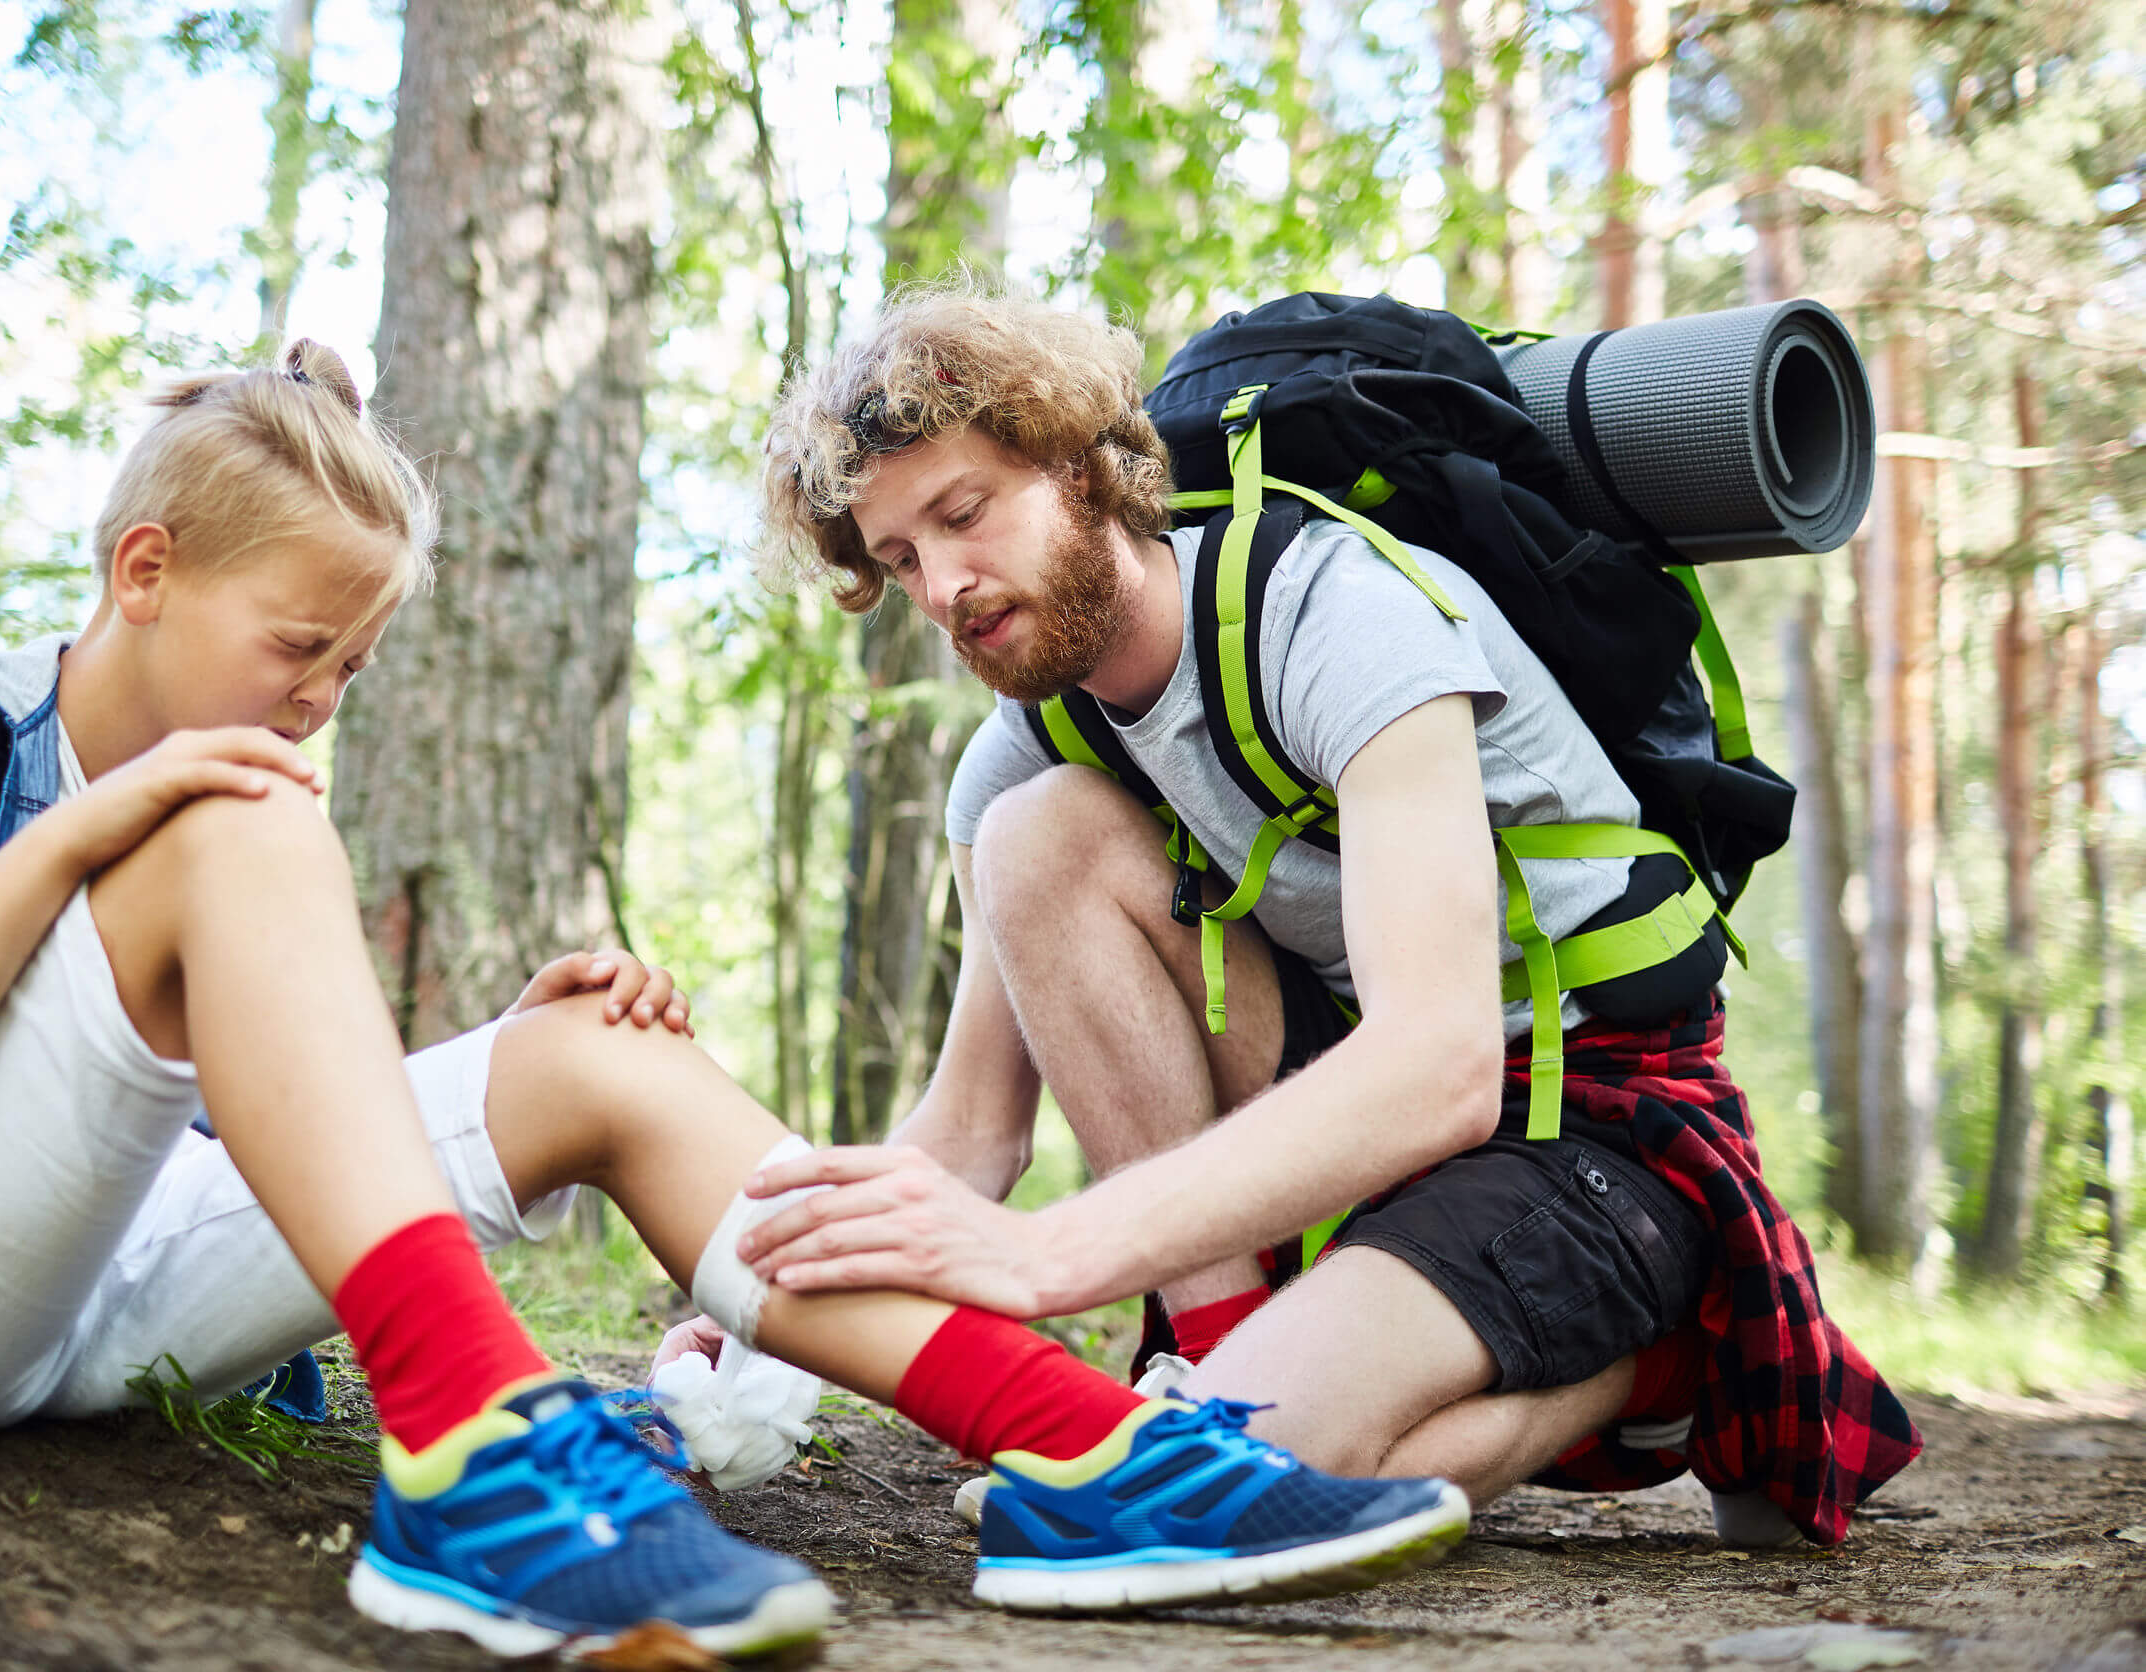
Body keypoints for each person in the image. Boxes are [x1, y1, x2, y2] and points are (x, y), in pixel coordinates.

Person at [0, 339, 1470, 1660]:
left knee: (592, 1040)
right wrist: (85, 838)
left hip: (93, 1298)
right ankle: (471, 1459)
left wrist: (495, 1064)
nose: (317, 706)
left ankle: (1092, 1449)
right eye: (299, 652)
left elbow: (174, 1132)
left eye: (349, 670)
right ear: (141, 574)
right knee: (235, 829)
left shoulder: (234, 793)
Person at [741, 284, 1919, 1549]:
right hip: (1350, 1109)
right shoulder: (1026, 743)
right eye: (902, 557)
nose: (943, 587)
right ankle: (1212, 1368)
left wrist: (1057, 1256)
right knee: (1043, 835)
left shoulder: (1330, 615)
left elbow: (1440, 1066)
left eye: (964, 514)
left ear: (1080, 470)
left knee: (1246, 1480)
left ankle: (1652, 1356)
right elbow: (972, 1131)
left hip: (1582, 1113)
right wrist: (765, 1289)